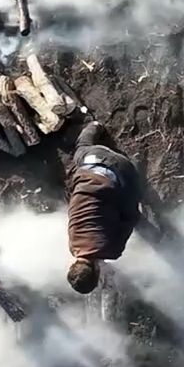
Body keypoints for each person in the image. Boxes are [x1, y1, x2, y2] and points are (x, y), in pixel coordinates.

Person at [65, 121, 147, 295]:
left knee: (134, 199)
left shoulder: (112, 250)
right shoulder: (73, 245)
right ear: (72, 265)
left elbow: (131, 218)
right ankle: (94, 125)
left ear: (97, 272)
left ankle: (137, 165)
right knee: (81, 148)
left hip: (120, 167)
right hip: (91, 161)